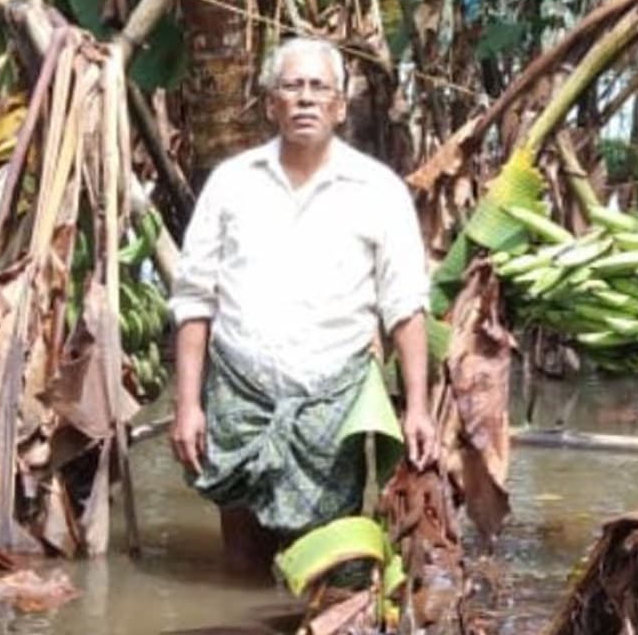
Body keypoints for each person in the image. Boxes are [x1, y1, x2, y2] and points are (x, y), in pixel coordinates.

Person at [167, 37, 438, 571]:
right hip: (240, 397)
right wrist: (187, 403)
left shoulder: (377, 189)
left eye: (320, 88)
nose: (306, 99)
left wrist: (418, 408)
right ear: (271, 104)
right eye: (292, 87)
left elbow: (405, 307)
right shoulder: (231, 184)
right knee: (241, 559)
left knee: (332, 566)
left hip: (331, 406)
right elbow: (194, 300)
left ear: (340, 106)